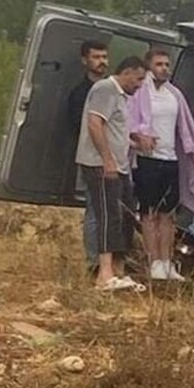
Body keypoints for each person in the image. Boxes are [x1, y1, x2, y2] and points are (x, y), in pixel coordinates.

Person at [128, 47, 194, 282]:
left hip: (170, 159)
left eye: (166, 64)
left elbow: (185, 127)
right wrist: (139, 137)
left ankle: (167, 262)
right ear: (149, 66)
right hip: (148, 159)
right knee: (149, 213)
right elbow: (130, 122)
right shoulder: (140, 93)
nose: (164, 68)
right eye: (159, 64)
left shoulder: (175, 95)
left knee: (168, 215)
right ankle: (153, 262)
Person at [76, 56, 148, 291]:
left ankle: (118, 270)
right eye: (138, 79)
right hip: (100, 164)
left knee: (125, 214)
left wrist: (134, 142)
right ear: (127, 72)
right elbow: (95, 123)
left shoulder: (122, 97)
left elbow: (115, 129)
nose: (139, 85)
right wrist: (107, 160)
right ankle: (103, 274)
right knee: (107, 214)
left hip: (120, 165)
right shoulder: (105, 89)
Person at [67, 38, 110, 269]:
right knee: (94, 209)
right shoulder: (79, 94)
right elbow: (78, 129)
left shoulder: (114, 90)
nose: (102, 62)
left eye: (104, 57)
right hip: (91, 160)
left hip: (116, 161)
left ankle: (113, 261)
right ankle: (93, 262)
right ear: (85, 60)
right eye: (96, 57)